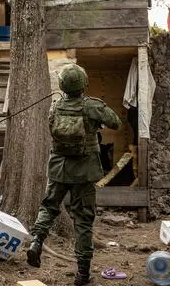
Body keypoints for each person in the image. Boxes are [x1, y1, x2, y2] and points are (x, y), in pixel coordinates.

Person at [27, 64, 121, 286]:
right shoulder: (92, 106)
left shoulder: (55, 106)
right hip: (84, 172)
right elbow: (115, 122)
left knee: (49, 208)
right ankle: (82, 274)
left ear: (62, 86)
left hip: (59, 169)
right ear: (83, 83)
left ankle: (36, 242)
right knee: (84, 221)